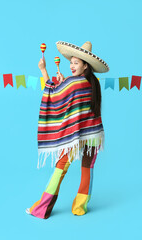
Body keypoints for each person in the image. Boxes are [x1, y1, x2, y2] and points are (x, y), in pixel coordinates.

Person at [26, 41, 109, 219]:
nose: (71, 66)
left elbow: (53, 94)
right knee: (88, 168)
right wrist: (64, 82)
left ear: (85, 65)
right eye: (71, 62)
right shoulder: (93, 83)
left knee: (60, 167)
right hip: (94, 133)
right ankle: (80, 207)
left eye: (76, 63)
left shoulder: (73, 83)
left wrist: (43, 70)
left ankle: (43, 208)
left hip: (75, 135)